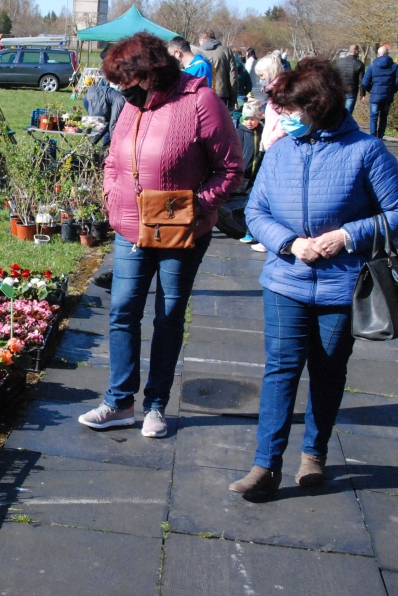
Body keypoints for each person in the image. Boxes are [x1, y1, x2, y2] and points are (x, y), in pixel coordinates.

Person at [232, 57, 398, 501]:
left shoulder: (367, 151)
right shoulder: (279, 152)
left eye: (295, 111)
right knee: (280, 370)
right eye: (283, 111)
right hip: (285, 282)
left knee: (329, 371)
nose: (286, 120)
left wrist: (346, 236)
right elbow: (254, 212)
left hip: (342, 284)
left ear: (322, 105)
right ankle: (265, 465)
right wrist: (290, 244)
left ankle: (314, 454)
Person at [78, 32, 244, 438]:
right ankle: (119, 403)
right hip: (131, 230)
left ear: (151, 73)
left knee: (167, 316)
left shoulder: (200, 103)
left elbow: (231, 170)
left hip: (179, 228)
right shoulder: (133, 106)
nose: (122, 91)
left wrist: (190, 208)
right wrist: (111, 197)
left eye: (127, 82)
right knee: (122, 312)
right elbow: (114, 159)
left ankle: (155, 405)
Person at [236, 100, 267, 252]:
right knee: (238, 202)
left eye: (253, 119)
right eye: (246, 118)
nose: (249, 122)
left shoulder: (262, 133)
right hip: (242, 174)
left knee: (252, 204)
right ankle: (239, 227)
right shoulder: (239, 132)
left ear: (259, 119)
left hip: (256, 176)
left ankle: (250, 232)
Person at [361, 44, 398, 140]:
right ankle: (380, 135)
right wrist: (392, 91)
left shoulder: (372, 66)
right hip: (388, 95)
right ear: (387, 54)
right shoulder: (394, 66)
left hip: (375, 95)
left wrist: (371, 90)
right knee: (384, 116)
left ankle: (373, 136)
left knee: (373, 116)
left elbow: (364, 82)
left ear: (378, 54)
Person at [198, 30, 240, 108]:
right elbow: (233, 76)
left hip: (201, 94)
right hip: (221, 93)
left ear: (202, 40)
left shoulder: (196, 52)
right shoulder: (226, 50)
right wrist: (233, 100)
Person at [255, 54, 286, 151]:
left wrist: (270, 141)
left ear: (270, 72)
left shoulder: (280, 93)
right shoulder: (275, 91)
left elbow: (286, 120)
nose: (261, 79)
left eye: (262, 75)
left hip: (277, 144)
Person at [84, 84, 125, 149]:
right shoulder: (121, 101)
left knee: (106, 125)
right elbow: (113, 122)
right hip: (94, 99)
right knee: (99, 127)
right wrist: (114, 141)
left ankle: (104, 149)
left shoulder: (120, 97)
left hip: (88, 96)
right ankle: (87, 150)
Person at [336, 45, 365, 115]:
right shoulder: (359, 64)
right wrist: (362, 93)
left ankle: (339, 125)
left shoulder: (339, 62)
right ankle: (345, 125)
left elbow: (335, 77)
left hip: (340, 89)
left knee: (338, 111)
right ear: (356, 51)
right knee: (348, 113)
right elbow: (361, 80)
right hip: (352, 90)